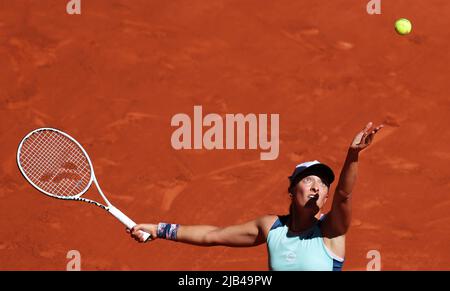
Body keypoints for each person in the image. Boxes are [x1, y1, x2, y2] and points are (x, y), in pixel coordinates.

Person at [128, 122, 384, 271]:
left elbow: (344, 194)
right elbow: (212, 235)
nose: (317, 188)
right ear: (292, 190)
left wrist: (353, 156)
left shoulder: (331, 231)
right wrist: (159, 229)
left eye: (322, 184)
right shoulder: (271, 228)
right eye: (308, 181)